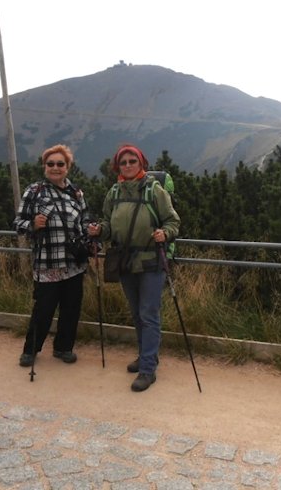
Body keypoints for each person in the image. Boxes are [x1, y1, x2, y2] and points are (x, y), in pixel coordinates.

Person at [88, 145, 180, 392]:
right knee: (138, 313)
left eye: (132, 161)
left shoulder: (155, 191)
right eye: (123, 162)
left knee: (148, 314)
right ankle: (146, 356)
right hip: (126, 261)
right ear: (117, 166)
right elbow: (108, 223)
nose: (127, 165)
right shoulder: (114, 192)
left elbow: (173, 221)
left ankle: (148, 369)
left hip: (151, 261)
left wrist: (166, 233)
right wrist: (100, 230)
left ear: (142, 164)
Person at [13, 144, 91, 368]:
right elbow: (18, 224)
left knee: (71, 309)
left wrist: (91, 235)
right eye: (51, 164)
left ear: (68, 167)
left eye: (60, 164)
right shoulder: (35, 191)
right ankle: (31, 349)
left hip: (74, 265)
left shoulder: (76, 193)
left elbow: (84, 221)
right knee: (43, 310)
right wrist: (32, 225)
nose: (55, 167)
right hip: (46, 264)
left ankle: (63, 348)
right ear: (44, 166)